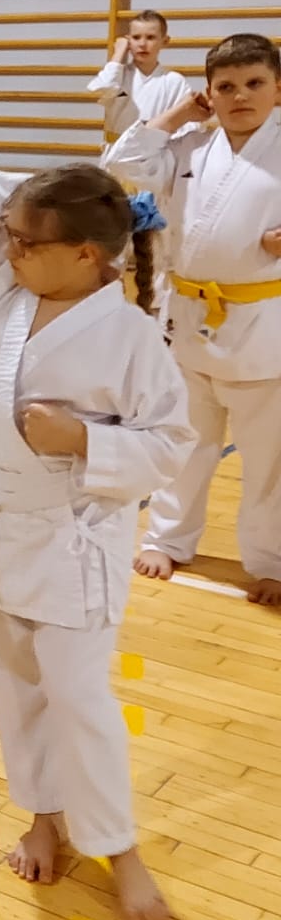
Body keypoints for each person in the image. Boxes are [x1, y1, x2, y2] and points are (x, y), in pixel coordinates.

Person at [0, 162, 194, 920]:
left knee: (80, 701)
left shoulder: (128, 334)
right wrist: (91, 197)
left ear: (87, 254)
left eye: (27, 241)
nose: (8, 247)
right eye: (10, 235)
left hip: (71, 540)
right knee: (16, 688)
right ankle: (45, 817)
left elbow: (171, 444)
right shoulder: (6, 291)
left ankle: (119, 848)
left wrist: (82, 439)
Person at [103, 33, 281, 602]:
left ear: (278, 88)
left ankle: (271, 560)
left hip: (262, 324)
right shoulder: (190, 146)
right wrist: (180, 113)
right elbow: (121, 161)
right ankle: (168, 538)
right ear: (208, 93)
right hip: (187, 318)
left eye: (254, 83)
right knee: (185, 441)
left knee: (269, 458)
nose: (240, 95)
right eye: (225, 86)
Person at [87, 12, 193, 145]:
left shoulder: (175, 82)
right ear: (128, 41)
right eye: (136, 37)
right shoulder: (118, 75)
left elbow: (188, 122)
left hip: (157, 151)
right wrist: (119, 52)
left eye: (150, 37)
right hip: (117, 150)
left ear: (165, 41)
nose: (142, 44)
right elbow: (102, 88)